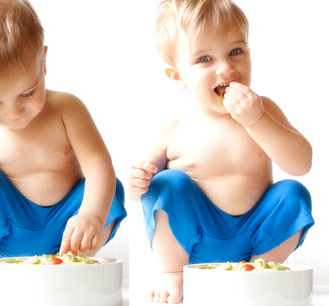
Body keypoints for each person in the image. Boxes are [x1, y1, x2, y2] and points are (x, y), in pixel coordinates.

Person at [0, 0, 127, 298]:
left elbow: (98, 164)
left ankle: (77, 260)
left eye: (28, 92)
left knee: (110, 187)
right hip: (6, 235)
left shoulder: (67, 109)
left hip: (69, 229)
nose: (14, 113)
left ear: (44, 61)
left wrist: (90, 216)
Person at [128, 0, 314, 303]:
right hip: (196, 239)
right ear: (177, 75)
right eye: (204, 59)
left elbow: (301, 164)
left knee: (293, 193)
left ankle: (262, 270)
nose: (226, 68)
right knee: (167, 183)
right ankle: (173, 274)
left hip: (256, 235)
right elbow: (143, 194)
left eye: (236, 52)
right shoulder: (176, 123)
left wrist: (258, 121)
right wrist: (137, 182)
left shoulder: (264, 111)